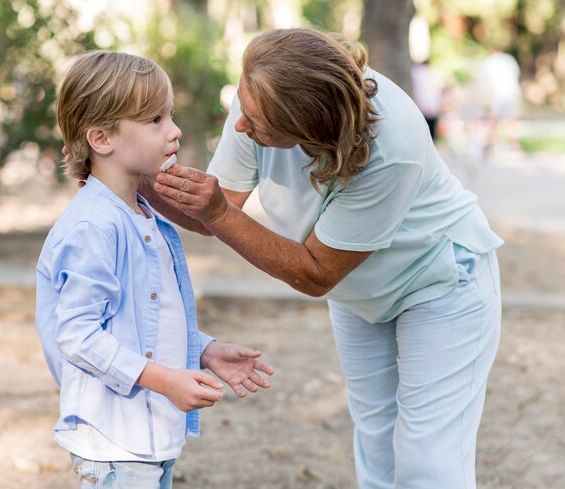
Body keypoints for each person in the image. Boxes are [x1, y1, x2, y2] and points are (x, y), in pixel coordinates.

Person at [144, 28, 503, 489]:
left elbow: (316, 274)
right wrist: (135, 179)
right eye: (245, 109)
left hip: (441, 283)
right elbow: (217, 213)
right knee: (377, 446)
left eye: (256, 123)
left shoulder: (392, 146)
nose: (240, 126)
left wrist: (214, 211)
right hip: (363, 295)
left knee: (429, 459)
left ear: (307, 127)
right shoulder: (261, 88)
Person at [36, 50, 273, 489]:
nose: (174, 130)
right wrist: (166, 381)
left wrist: (203, 350)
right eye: (155, 120)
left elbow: (139, 320)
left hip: (145, 440)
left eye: (171, 116)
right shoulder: (93, 226)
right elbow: (79, 335)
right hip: (114, 443)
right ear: (102, 138)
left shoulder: (144, 216)